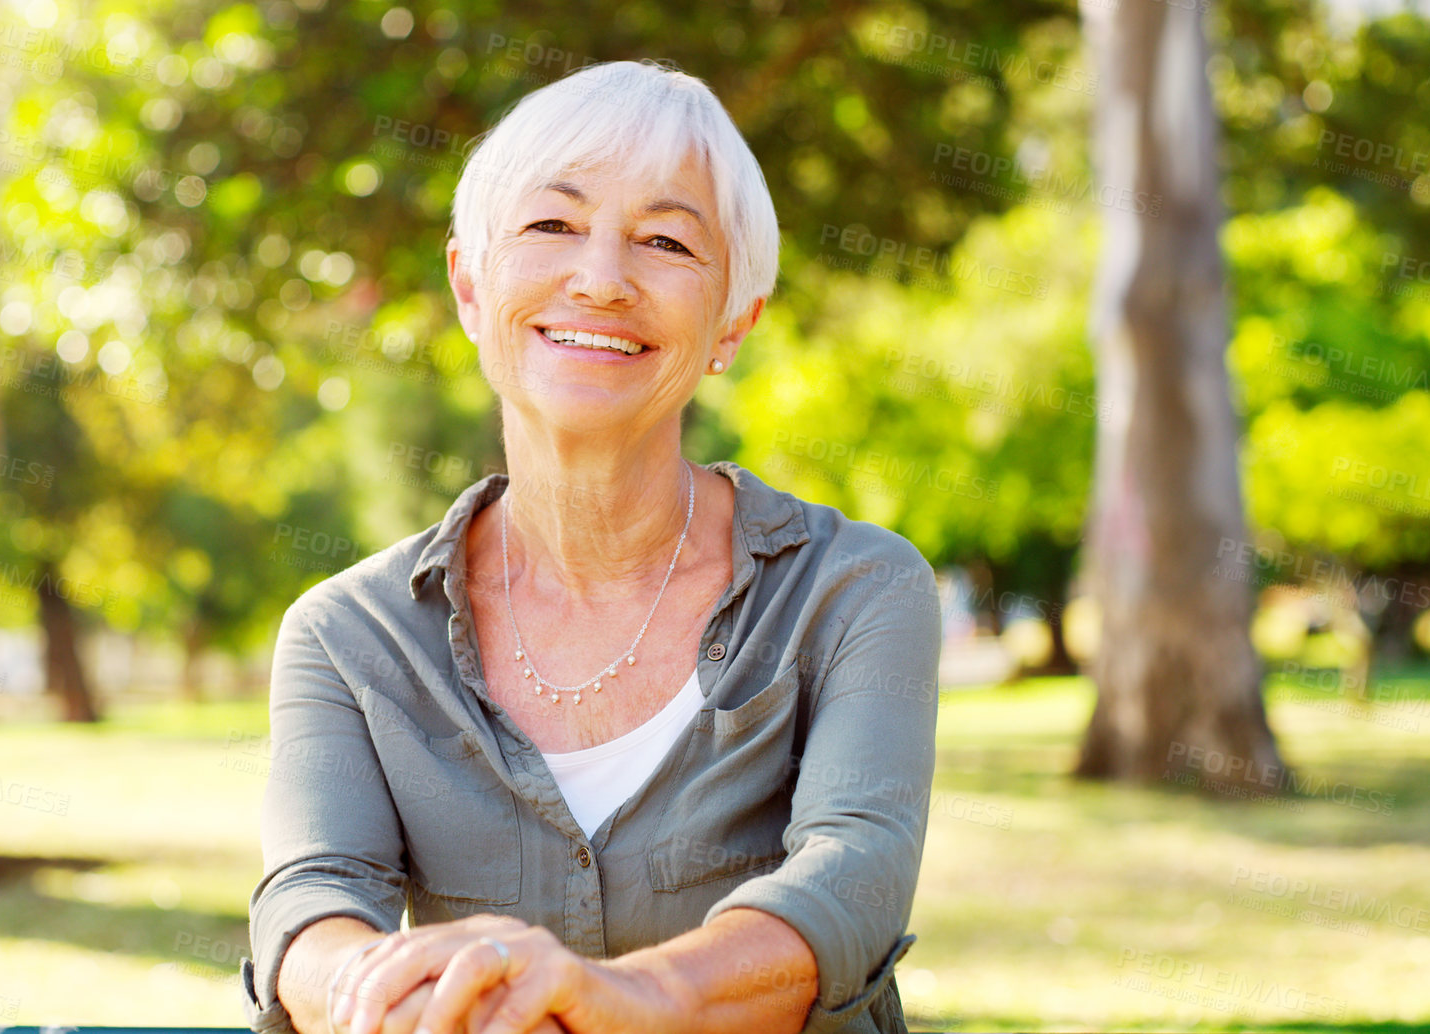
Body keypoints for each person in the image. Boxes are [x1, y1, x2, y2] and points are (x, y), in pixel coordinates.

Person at [242, 59, 941, 1034]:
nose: (601, 280)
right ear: (470, 286)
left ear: (732, 321)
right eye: (551, 225)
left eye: (664, 240)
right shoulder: (347, 634)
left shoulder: (854, 588)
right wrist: (374, 990)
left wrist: (627, 995)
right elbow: (311, 898)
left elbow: (854, 875)